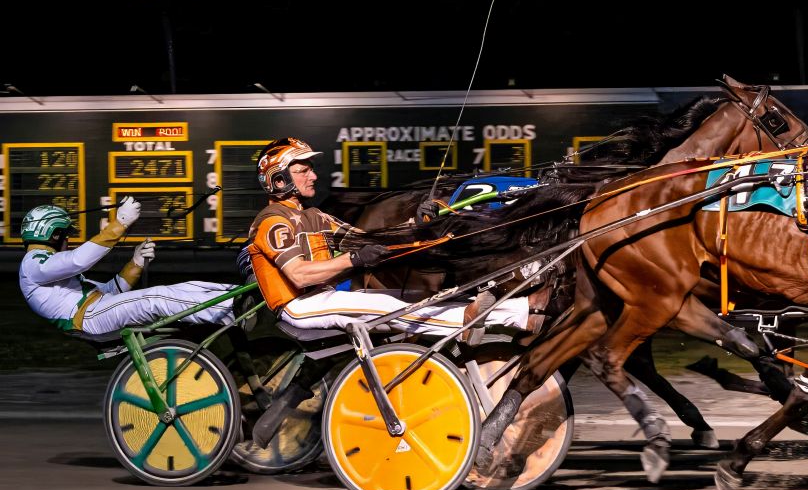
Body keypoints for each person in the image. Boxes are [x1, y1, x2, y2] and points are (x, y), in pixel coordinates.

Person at [246, 137, 535, 335]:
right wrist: (353, 260)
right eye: (303, 171)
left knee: (419, 297)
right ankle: (462, 323)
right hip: (299, 307)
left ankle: (520, 311)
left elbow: (370, 239)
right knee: (387, 306)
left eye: (311, 170)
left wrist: (417, 223)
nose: (313, 176)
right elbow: (299, 276)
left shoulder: (315, 216)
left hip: (325, 296)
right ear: (279, 180)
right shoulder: (272, 221)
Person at [18, 198, 235, 335]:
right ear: (54, 234)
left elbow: (112, 290)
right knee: (155, 297)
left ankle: (238, 295)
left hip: (97, 311)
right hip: (89, 318)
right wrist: (119, 223)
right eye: (65, 235)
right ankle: (232, 312)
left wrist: (136, 262)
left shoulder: (49, 269)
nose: (68, 240)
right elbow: (78, 260)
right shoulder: (32, 264)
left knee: (184, 287)